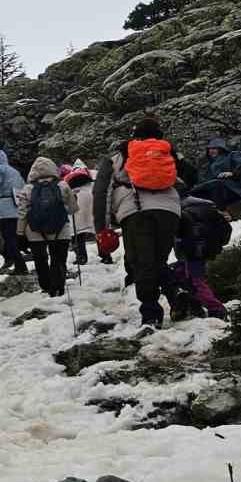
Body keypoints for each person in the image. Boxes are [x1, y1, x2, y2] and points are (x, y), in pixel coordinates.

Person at [93, 117, 182, 327]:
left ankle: (151, 313)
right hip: (169, 212)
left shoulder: (119, 156)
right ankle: (179, 296)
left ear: (134, 136)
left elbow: (101, 192)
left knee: (141, 263)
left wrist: (102, 228)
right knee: (157, 261)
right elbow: (188, 178)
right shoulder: (168, 153)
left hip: (136, 212)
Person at [15, 156, 79, 298]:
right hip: (61, 229)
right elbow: (73, 209)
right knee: (58, 258)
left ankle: (46, 286)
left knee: (40, 259)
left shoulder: (28, 188)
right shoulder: (62, 185)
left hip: (35, 232)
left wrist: (20, 233)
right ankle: (58, 287)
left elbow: (22, 213)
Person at [170, 194, 233, 320]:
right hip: (207, 251)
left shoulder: (179, 211)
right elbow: (227, 230)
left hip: (192, 253)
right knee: (181, 273)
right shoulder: (208, 207)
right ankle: (194, 307)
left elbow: (178, 235)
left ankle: (216, 310)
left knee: (195, 282)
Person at [191, 138, 241, 211]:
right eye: (210, 149)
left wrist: (233, 173)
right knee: (198, 192)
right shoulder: (212, 166)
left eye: (214, 148)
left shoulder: (234, 155)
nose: (211, 151)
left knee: (215, 185)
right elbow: (208, 181)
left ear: (221, 149)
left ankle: (222, 211)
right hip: (225, 191)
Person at [65, 165, 97, 266]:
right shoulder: (90, 185)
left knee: (78, 236)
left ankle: (81, 257)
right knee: (98, 231)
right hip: (91, 209)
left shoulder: (71, 186)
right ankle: (106, 255)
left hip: (77, 214)